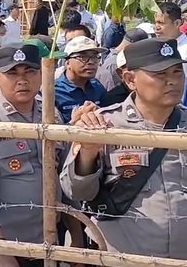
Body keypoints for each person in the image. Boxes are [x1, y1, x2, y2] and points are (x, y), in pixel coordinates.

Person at [62, 37, 187, 259]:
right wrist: (88, 153)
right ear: (130, 79)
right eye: (160, 74)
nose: (173, 81)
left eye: (177, 72)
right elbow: (76, 192)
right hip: (125, 256)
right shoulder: (103, 124)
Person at [0, 44, 66, 267]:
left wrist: (75, 234)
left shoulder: (50, 114)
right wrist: (1, 250)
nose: (23, 80)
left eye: (30, 71)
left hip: (48, 240)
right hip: (1, 244)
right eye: (13, 73)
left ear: (41, 74)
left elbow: (63, 177)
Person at [54, 36, 106, 123]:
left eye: (95, 57)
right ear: (68, 63)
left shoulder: (98, 87)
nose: (91, 62)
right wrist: (74, 122)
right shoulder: (54, 92)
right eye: (83, 57)